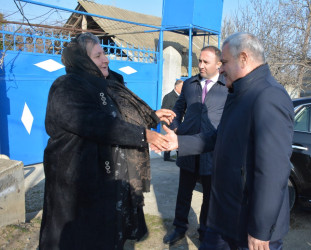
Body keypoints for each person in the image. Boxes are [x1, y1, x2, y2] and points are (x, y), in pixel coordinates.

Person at [39, 32, 175, 249]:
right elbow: (95, 122)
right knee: (79, 239)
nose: (106, 59)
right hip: (77, 184)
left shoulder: (106, 85)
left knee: (107, 236)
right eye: (98, 55)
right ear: (83, 60)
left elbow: (122, 115)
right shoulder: (67, 86)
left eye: (104, 53)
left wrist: (151, 116)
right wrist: (143, 134)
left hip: (107, 184)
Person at [162, 32, 294, 249]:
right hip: (224, 217)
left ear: (243, 58)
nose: (220, 69)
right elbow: (218, 137)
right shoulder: (239, 92)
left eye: (223, 62)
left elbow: (273, 172)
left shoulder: (269, 97)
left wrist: (260, 229)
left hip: (247, 226)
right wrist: (180, 143)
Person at [163, 46, 228, 244]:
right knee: (184, 193)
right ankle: (179, 228)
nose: (200, 65)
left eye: (205, 62)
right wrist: (176, 128)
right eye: (199, 61)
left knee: (209, 196)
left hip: (212, 150)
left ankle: (204, 231)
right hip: (188, 148)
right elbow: (177, 107)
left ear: (218, 64)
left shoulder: (227, 87)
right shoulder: (190, 84)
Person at [161, 79, 184, 161]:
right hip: (169, 122)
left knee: (179, 139)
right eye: (182, 87)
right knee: (169, 139)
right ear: (176, 87)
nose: (183, 89)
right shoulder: (168, 96)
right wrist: (164, 123)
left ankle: (179, 157)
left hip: (179, 122)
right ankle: (166, 157)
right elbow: (164, 110)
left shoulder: (182, 97)